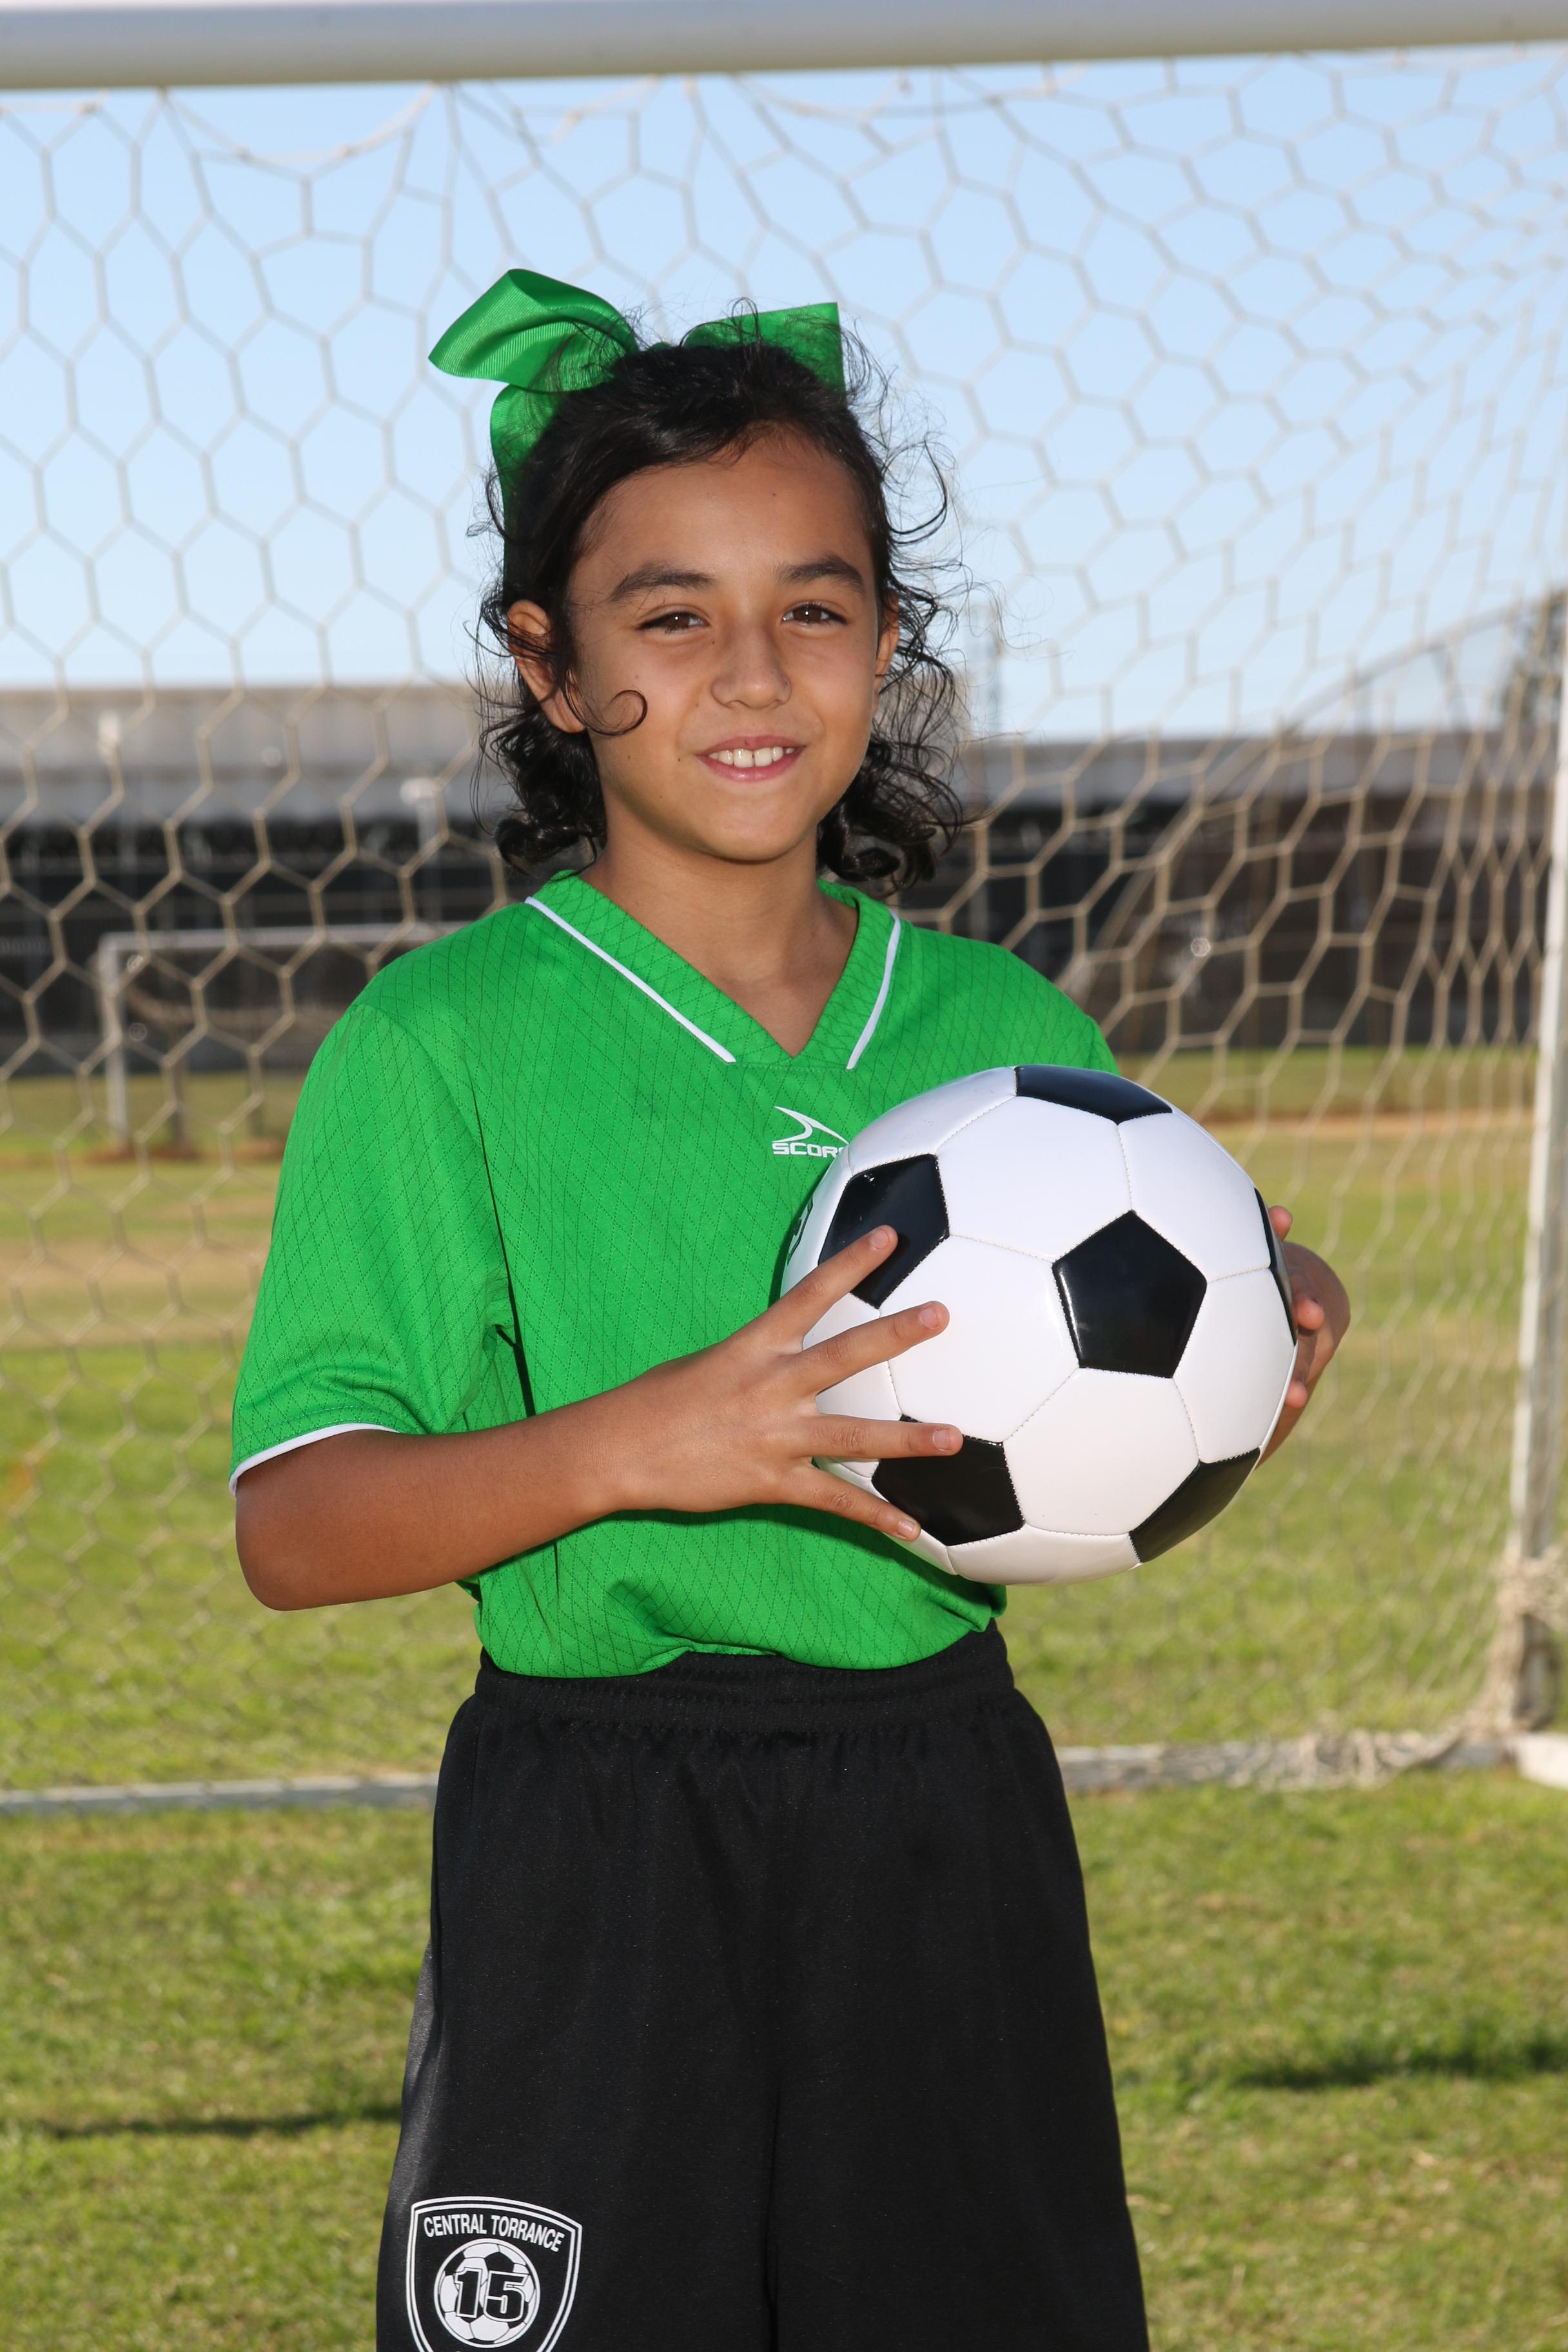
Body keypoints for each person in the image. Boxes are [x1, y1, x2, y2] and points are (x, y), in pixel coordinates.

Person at [233, 270, 1349, 2352]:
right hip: (595, 1836)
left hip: (943, 1814)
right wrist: (641, 1444)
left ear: (888, 643)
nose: (753, 672)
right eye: (672, 616)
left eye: (814, 608)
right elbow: (295, 1527)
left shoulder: (1002, 1028)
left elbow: (1190, 1288)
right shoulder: (440, 1044)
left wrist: (1280, 1304)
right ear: (552, 666)